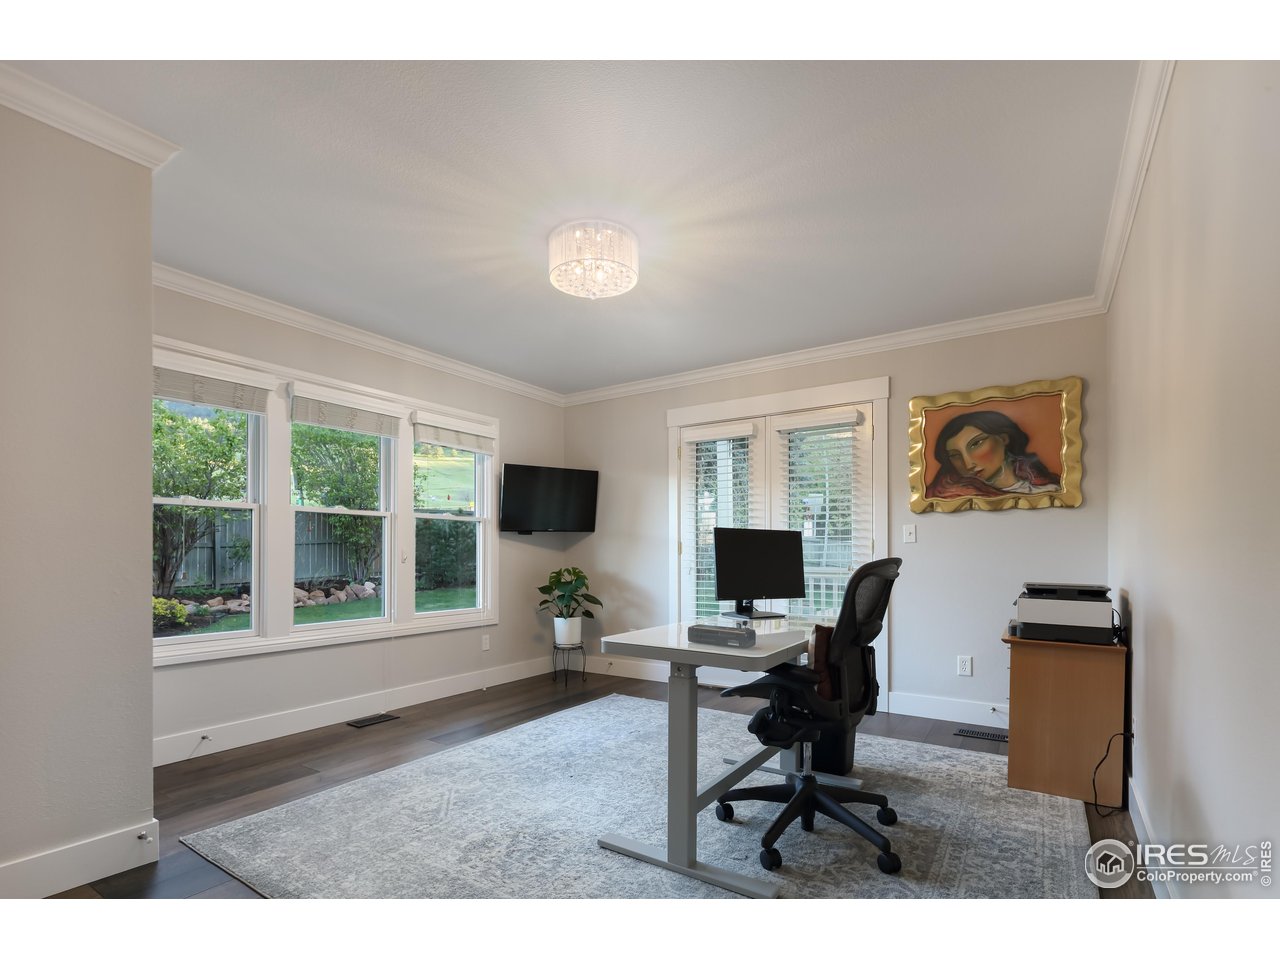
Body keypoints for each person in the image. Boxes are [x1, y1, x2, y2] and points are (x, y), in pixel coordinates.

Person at [925, 410, 1061, 499]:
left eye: (976, 444)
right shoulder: (947, 495)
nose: (968, 464)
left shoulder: (1049, 488)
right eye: (954, 455)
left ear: (1003, 438)